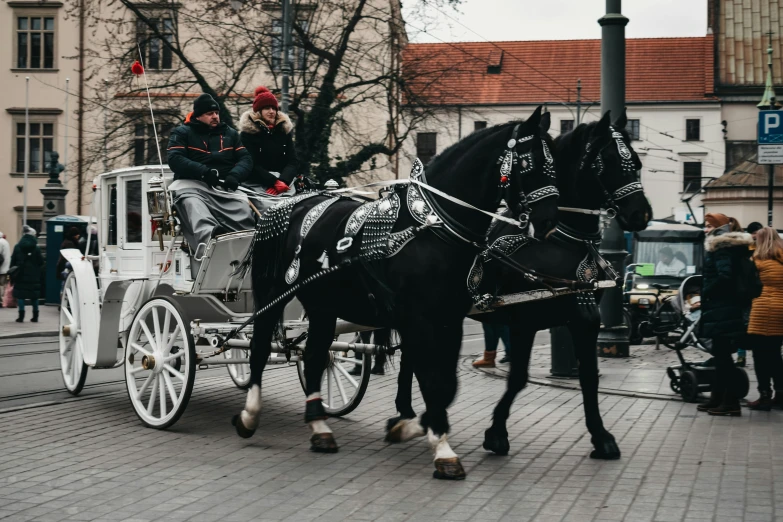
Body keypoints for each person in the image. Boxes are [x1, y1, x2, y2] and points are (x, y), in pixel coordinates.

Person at [166, 93, 255, 257]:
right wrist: (203, 172)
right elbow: (175, 159)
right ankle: (211, 244)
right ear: (198, 116)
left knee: (244, 211)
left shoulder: (231, 134)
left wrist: (235, 175)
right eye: (209, 114)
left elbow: (246, 159)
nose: (215, 116)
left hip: (225, 189)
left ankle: (247, 250)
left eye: (216, 113)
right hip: (191, 187)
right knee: (195, 207)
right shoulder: (182, 133)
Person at [696, 213, 754, 416]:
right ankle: (718, 397)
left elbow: (724, 276)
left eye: (708, 225)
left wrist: (707, 292)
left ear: (718, 228)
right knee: (721, 357)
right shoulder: (726, 247)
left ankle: (730, 402)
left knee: (723, 358)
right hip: (724, 309)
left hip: (723, 309)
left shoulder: (721, 247)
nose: (705, 229)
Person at [745, 227, 783, 410]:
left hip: (763, 309)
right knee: (776, 355)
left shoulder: (758, 260)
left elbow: (749, 286)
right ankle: (781, 395)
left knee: (760, 356)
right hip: (781, 310)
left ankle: (764, 395)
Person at [238, 86, 297, 203]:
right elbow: (250, 164)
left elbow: (293, 161)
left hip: (284, 183)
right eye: (267, 108)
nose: (271, 111)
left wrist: (283, 181)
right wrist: (273, 182)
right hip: (257, 183)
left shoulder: (284, 131)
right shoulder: (247, 134)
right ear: (258, 112)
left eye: (274, 108)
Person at [10, 225, 43, 323]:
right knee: (34, 296)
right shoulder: (36, 248)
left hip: (20, 274)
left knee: (21, 296)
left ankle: (21, 316)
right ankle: (35, 316)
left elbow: (13, 261)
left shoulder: (17, 246)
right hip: (34, 275)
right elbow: (41, 262)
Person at [0, 231, 10, 308]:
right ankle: (4, 301)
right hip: (6, 267)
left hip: (1, 268)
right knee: (4, 285)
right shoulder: (5, 242)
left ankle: (1, 301)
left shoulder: (0, 242)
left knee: (1, 285)